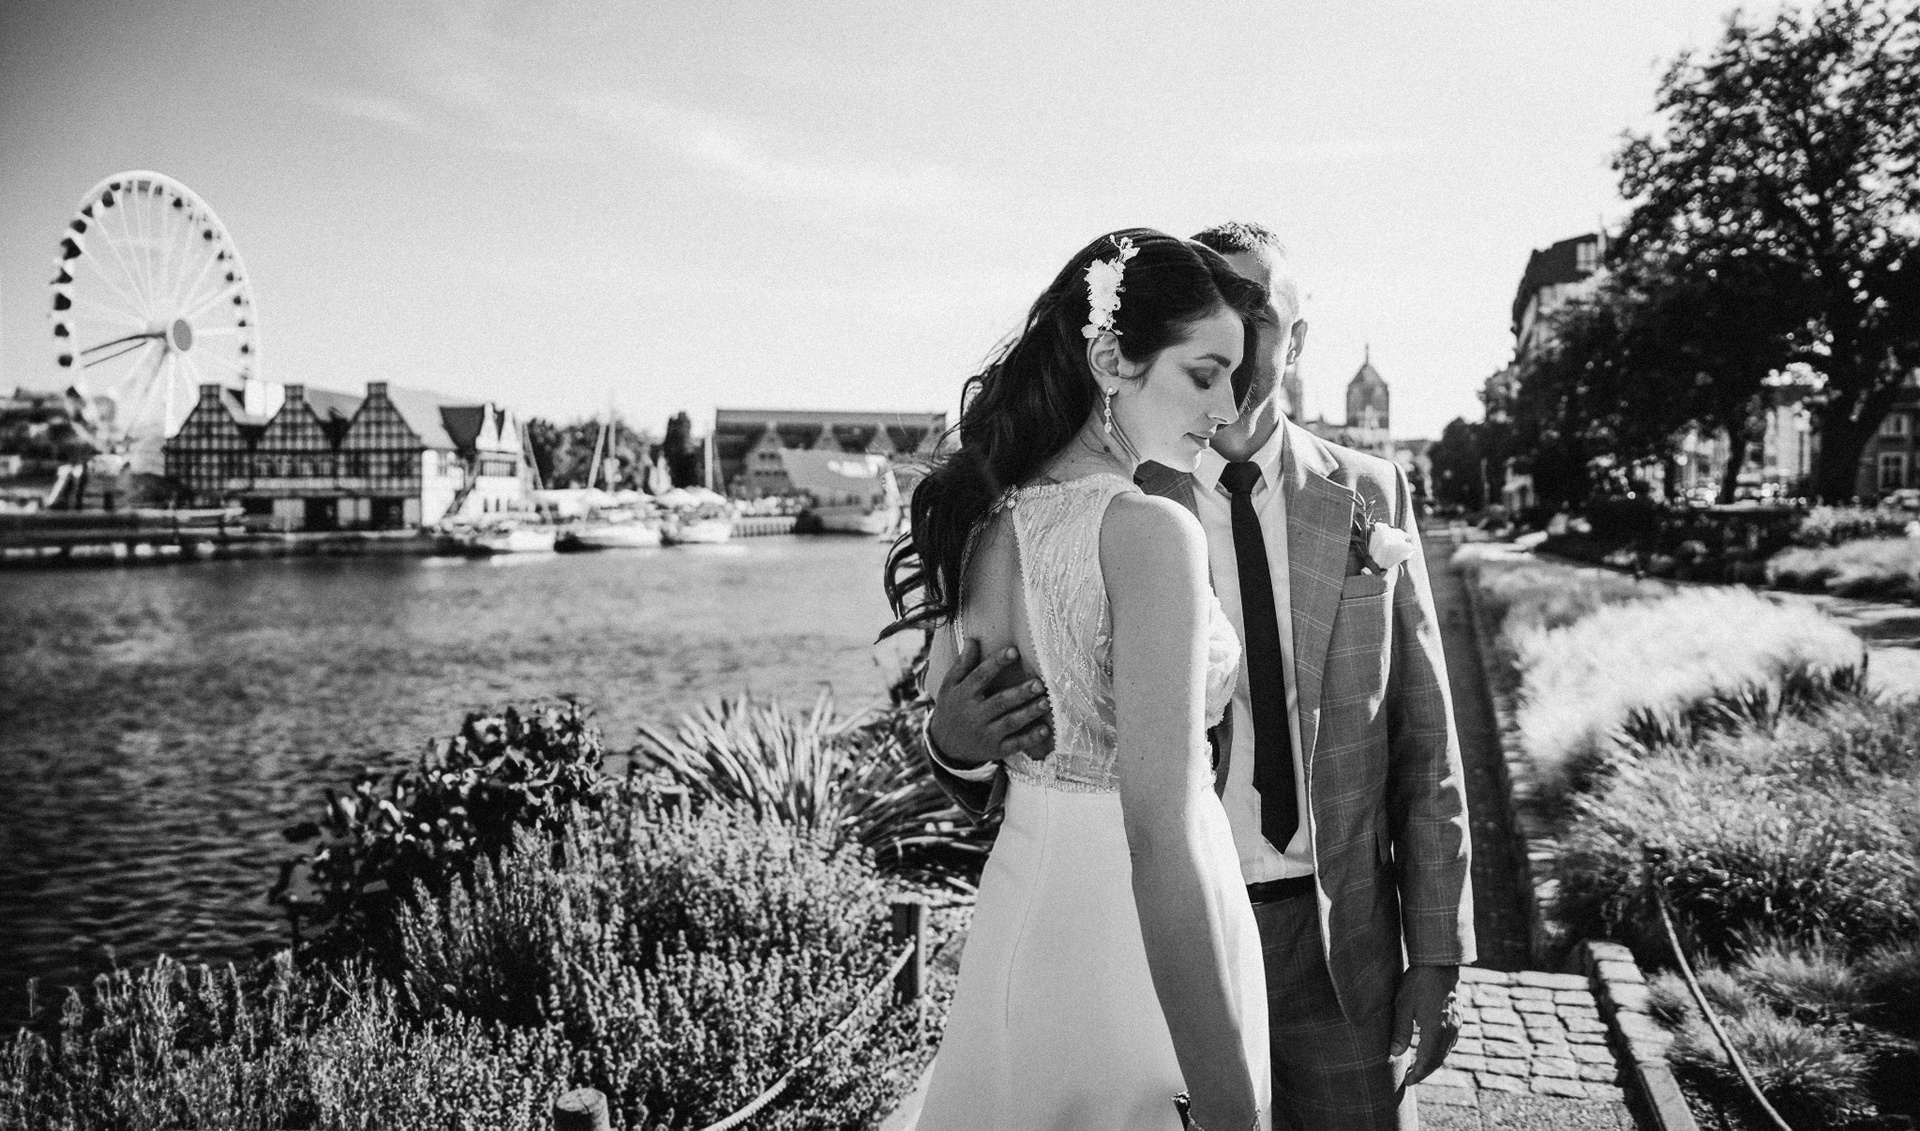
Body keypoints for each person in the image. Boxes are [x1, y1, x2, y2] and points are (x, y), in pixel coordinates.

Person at [926, 221, 1475, 1131]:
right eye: (1210, 358)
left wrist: (1439, 951)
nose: (1232, 384)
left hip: (1333, 941)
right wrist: (953, 743)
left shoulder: (1369, 491)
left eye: (1258, 323)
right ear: (1125, 349)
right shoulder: (1140, 508)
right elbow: (1089, 778)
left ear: (1297, 338)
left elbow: (1427, 735)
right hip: (1160, 931)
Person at [883, 228, 1273, 1130]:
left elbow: (966, 721)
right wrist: (1228, 1100)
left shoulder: (985, 522)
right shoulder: (1149, 533)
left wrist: (952, 743)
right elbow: (1159, 835)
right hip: (1135, 950)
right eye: (1205, 373)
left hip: (1020, 919)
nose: (1226, 407)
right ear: (1110, 360)